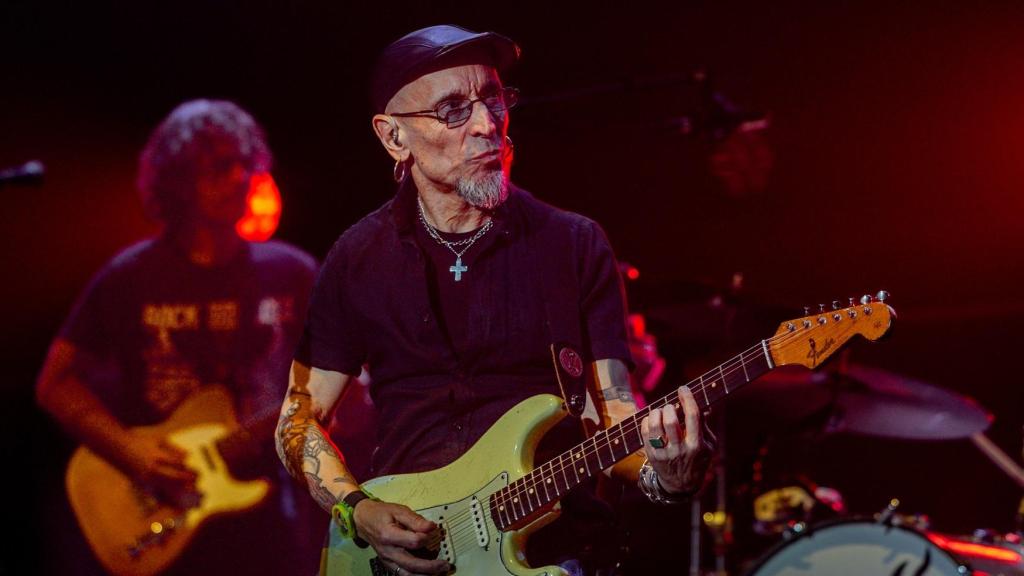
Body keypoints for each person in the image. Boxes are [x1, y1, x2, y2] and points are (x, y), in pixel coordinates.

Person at [276, 25, 712, 575]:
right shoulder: (357, 258)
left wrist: (664, 475)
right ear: (393, 137)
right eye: (454, 110)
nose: (487, 125)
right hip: (407, 557)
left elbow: (610, 411)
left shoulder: (572, 244)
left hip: (552, 550)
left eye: (493, 99)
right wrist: (356, 509)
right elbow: (298, 417)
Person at [36, 99, 320, 575]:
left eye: (243, 164)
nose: (237, 178)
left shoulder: (292, 273)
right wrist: (130, 452)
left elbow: (341, 392)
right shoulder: (129, 277)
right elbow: (55, 383)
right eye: (217, 167)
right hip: (163, 500)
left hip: (269, 516)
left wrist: (354, 400)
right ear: (177, 180)